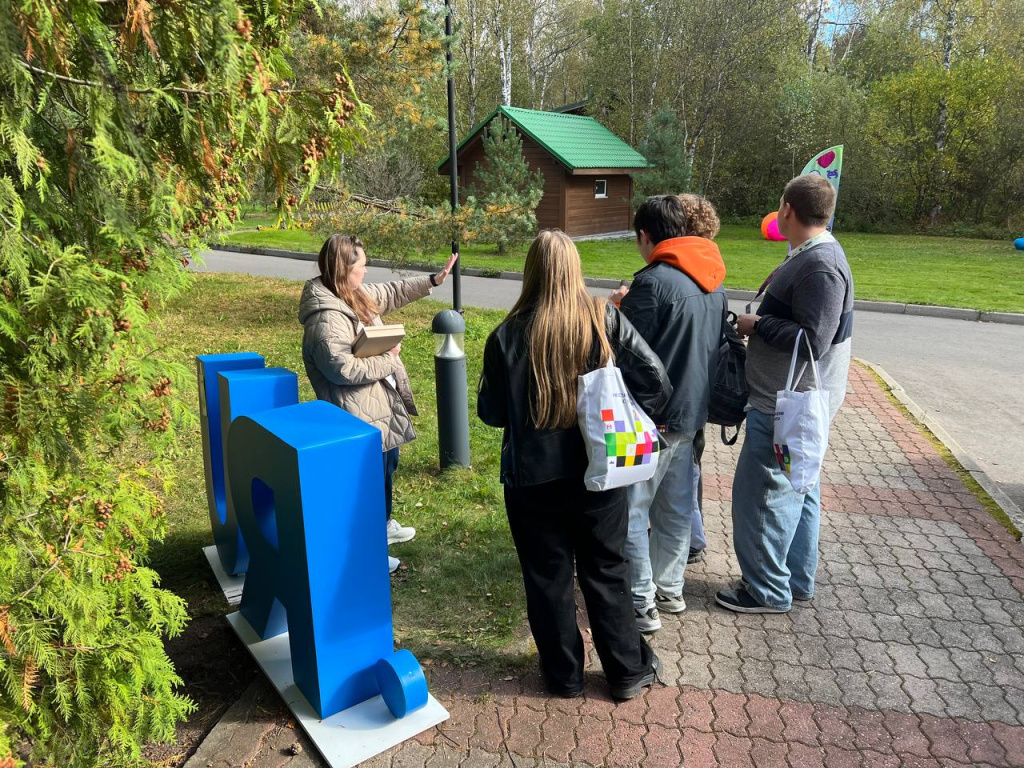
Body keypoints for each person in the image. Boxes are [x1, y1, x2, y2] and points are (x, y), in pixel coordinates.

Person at [478, 229, 671, 701]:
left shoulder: (507, 332)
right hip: (599, 472)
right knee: (606, 570)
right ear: (574, 269)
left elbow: (491, 413)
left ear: (531, 271)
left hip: (532, 480)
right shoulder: (603, 319)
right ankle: (626, 671)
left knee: (548, 578)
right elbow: (656, 382)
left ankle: (564, 676)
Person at [716, 174, 854, 613]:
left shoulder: (821, 266)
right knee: (799, 489)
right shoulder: (811, 255)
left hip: (785, 405)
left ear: (788, 210)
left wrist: (756, 325)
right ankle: (794, 580)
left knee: (762, 497)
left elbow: (814, 340)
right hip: (791, 402)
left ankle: (766, 590)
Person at [298, 234, 458, 574]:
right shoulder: (326, 318)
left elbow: (391, 292)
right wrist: (388, 359)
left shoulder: (353, 295)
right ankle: (368, 551)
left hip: (376, 409)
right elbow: (342, 369)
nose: (367, 272)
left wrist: (433, 280)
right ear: (344, 269)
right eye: (362, 266)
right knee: (364, 485)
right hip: (355, 415)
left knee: (385, 469)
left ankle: (382, 527)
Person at [609, 194, 728, 633]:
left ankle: (641, 602)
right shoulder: (714, 279)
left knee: (633, 510)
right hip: (694, 414)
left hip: (651, 417)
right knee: (676, 508)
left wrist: (616, 309)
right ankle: (670, 588)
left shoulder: (653, 282)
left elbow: (627, 352)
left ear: (646, 236)